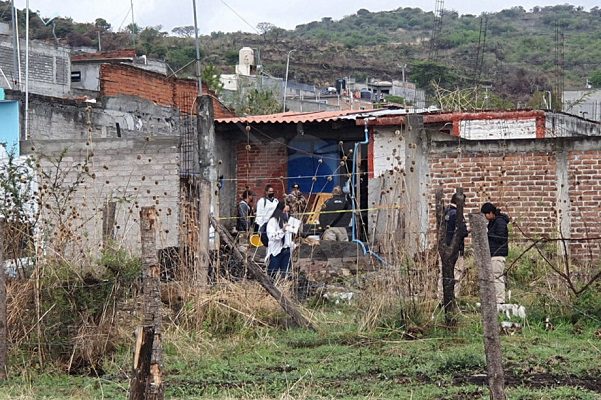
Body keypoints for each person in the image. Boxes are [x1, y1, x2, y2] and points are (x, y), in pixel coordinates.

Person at [438, 193, 468, 299]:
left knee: (443, 274)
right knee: (456, 273)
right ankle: (453, 298)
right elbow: (463, 231)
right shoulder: (457, 214)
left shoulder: (444, 212)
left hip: (443, 248)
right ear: (460, 203)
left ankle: (442, 297)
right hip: (456, 249)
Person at [481, 202, 510, 304]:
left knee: (497, 277)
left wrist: (488, 235)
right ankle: (496, 299)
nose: (485, 217)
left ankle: (500, 300)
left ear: (490, 213)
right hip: (494, 253)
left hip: (498, 253)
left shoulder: (500, 222)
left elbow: (501, 238)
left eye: (485, 215)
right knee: (494, 277)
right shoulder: (493, 222)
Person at [266, 201, 294, 279]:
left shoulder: (288, 221)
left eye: (288, 212)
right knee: (272, 274)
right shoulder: (273, 221)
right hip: (276, 251)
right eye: (284, 211)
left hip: (287, 250)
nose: (286, 214)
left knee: (285, 274)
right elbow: (271, 236)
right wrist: (283, 230)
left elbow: (289, 237)